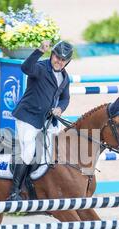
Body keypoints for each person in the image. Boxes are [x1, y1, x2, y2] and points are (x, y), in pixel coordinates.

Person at [8, 39, 74, 201]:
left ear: (67, 62)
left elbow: (65, 99)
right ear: (52, 55)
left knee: (58, 150)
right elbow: (25, 68)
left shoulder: (65, 78)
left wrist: (60, 109)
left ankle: (48, 188)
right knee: (29, 151)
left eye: (63, 60)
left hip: (47, 120)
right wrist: (39, 51)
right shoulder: (40, 68)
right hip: (28, 117)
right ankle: (14, 192)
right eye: (57, 57)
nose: (59, 61)